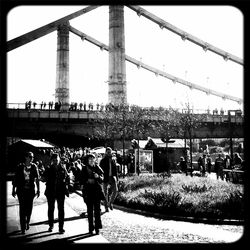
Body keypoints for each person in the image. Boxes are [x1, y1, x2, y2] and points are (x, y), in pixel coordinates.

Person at [12, 151, 40, 234]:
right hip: (21, 191)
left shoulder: (34, 166)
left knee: (29, 208)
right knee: (22, 209)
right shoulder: (20, 167)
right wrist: (13, 189)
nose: (32, 158)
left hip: (30, 191)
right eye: (30, 157)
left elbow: (37, 179)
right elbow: (15, 179)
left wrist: (38, 190)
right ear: (26, 157)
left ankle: (27, 221)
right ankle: (23, 227)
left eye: (33, 157)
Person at [42, 153, 70, 234]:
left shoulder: (63, 168)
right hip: (50, 192)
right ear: (51, 160)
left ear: (59, 160)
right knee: (51, 209)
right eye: (54, 160)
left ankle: (61, 227)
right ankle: (51, 225)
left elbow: (67, 177)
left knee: (61, 210)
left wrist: (67, 185)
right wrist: (43, 178)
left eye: (57, 160)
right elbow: (43, 178)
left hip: (60, 191)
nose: (55, 161)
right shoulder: (48, 169)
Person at [80, 154, 105, 235]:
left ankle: (97, 228)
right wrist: (87, 180)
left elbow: (102, 179)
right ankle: (91, 228)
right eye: (89, 159)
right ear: (87, 160)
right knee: (90, 211)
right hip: (88, 192)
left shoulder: (98, 168)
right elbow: (81, 180)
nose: (91, 160)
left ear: (95, 160)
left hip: (97, 192)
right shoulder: (84, 168)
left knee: (97, 211)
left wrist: (98, 177)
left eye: (92, 158)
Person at [100, 147, 119, 212]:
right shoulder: (103, 160)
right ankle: (106, 207)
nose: (109, 153)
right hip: (105, 178)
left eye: (110, 152)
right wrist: (101, 178)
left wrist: (117, 178)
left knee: (115, 191)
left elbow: (115, 170)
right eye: (108, 152)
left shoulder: (113, 160)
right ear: (106, 152)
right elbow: (100, 170)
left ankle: (110, 202)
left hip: (112, 177)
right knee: (105, 193)